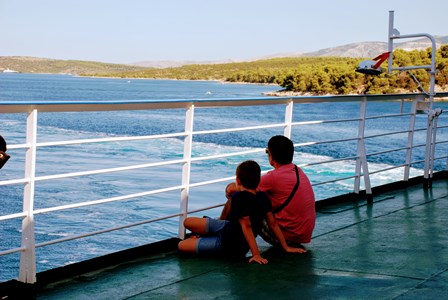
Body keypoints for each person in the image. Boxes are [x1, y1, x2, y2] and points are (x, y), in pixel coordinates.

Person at [178, 160, 306, 264]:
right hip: (226, 227)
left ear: (238, 180)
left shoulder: (239, 198)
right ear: (258, 181)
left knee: (182, 245)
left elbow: (247, 226)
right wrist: (286, 246)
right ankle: (203, 236)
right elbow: (273, 224)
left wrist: (256, 254)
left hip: (230, 244)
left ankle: (204, 237)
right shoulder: (262, 196)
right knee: (188, 222)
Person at [258, 135, 316, 247]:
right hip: (301, 235)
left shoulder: (273, 177)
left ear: (271, 155)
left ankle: (224, 234)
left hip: (288, 238)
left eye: (267, 152)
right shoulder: (298, 171)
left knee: (238, 198)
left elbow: (241, 187)